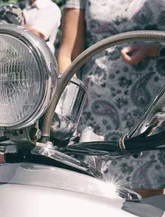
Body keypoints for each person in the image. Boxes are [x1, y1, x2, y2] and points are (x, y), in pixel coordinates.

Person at [58, 0, 165, 197]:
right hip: (93, 110)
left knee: (145, 202)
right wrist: (64, 111)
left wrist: (155, 47)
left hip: (151, 113)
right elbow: (68, 55)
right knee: (89, 191)